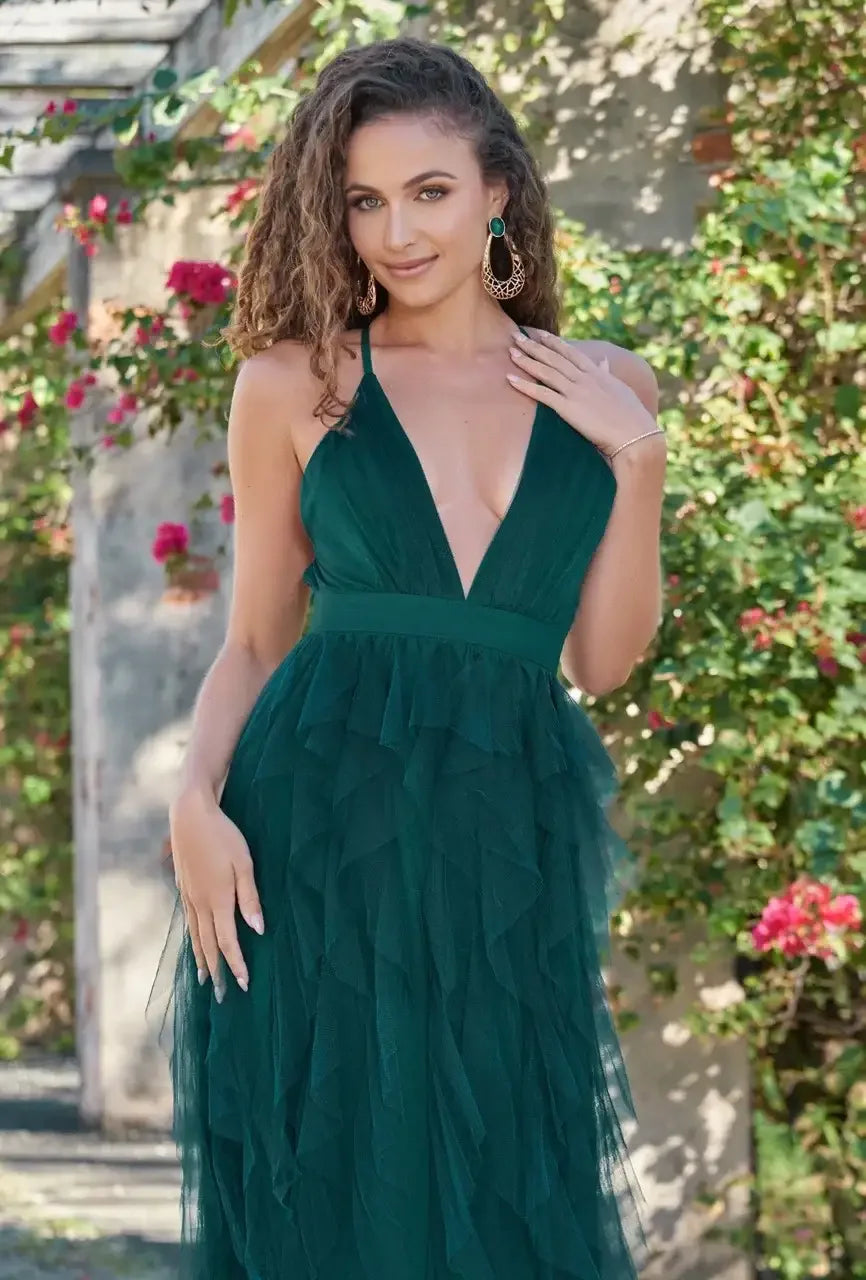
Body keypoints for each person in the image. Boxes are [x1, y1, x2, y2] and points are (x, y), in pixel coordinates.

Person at [148, 33, 667, 1280]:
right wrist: (191, 799)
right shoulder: (294, 383)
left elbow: (600, 661)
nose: (397, 233)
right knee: (336, 1194)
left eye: (428, 192)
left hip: (506, 841)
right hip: (314, 836)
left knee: (499, 1183)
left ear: (496, 190)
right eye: (364, 202)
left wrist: (636, 462)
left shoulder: (604, 386)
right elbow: (260, 638)